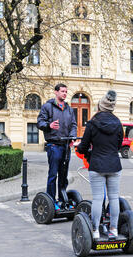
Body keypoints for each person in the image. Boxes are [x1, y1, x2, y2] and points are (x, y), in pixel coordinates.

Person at [75, 90, 124, 239]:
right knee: (114, 197)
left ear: (100, 106)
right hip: (114, 165)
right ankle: (114, 229)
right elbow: (119, 145)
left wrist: (87, 152)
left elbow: (83, 147)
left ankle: (95, 230)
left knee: (97, 198)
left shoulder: (92, 123)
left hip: (97, 165)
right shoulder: (118, 123)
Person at [37, 83, 77, 211]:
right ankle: (51, 200)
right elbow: (40, 122)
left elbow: (74, 125)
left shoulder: (68, 109)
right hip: (54, 145)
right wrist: (49, 125)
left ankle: (62, 199)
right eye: (62, 91)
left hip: (66, 146)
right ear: (56, 92)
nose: (65, 94)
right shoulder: (48, 107)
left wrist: (72, 138)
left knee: (63, 175)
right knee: (53, 174)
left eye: (66, 91)